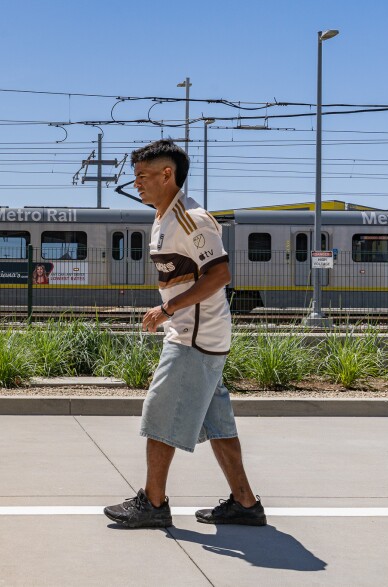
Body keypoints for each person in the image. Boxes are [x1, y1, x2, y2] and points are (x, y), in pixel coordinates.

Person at [104, 140, 266, 529]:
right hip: (197, 334)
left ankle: (153, 504)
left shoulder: (194, 219)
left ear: (167, 174)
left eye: (143, 175)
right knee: (219, 424)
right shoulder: (162, 218)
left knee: (159, 411)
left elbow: (220, 275)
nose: (137, 183)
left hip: (193, 337)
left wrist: (167, 309)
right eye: (135, 175)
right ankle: (245, 504)